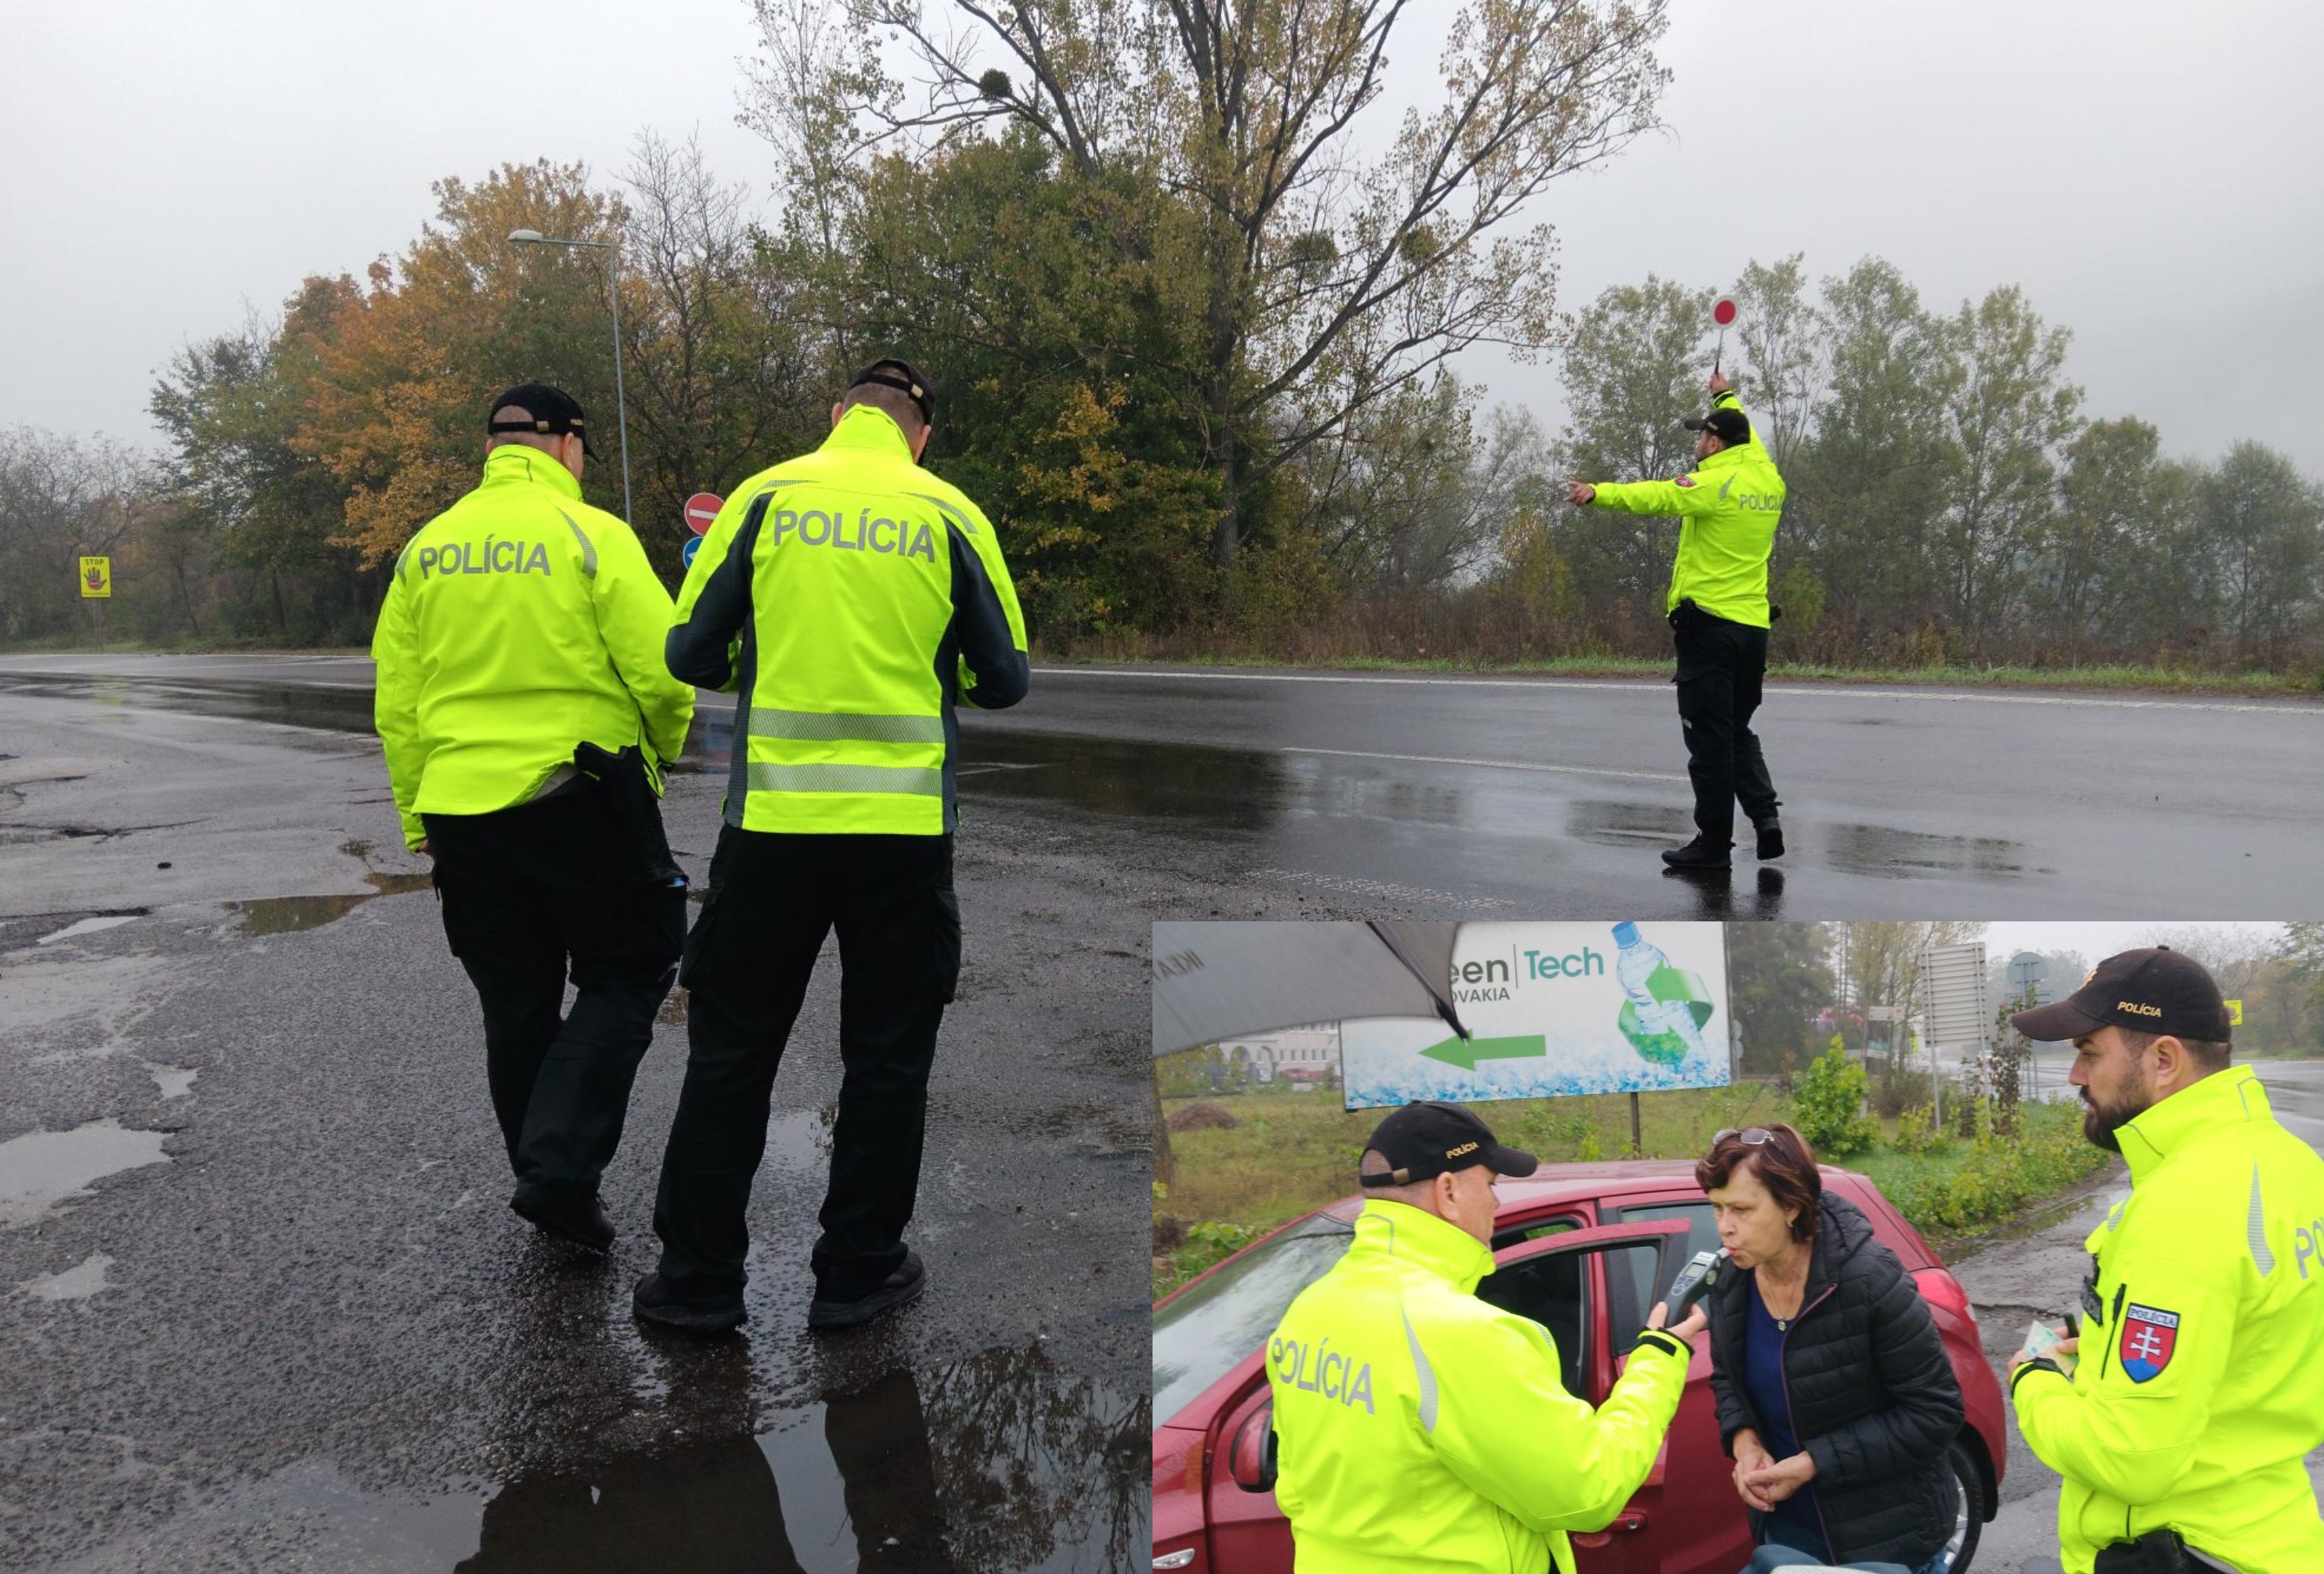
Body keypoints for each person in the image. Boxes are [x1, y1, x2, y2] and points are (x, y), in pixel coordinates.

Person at [635, 358, 1030, 1335]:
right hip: (903, 837)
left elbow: (687, 653)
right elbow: (1004, 679)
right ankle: (857, 1274)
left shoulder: (765, 498)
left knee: (732, 1053)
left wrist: (756, 658)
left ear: (837, 415)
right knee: (888, 1061)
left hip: (771, 829)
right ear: (919, 437)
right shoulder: (950, 513)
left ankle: (697, 1284)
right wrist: (940, 672)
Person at [373, 382, 694, 1252]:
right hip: (578, 794)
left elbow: (397, 703)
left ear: (492, 449)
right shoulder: (592, 535)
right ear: (568, 446)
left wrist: (418, 814)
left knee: (515, 1004)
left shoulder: (426, 551)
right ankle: (557, 1172)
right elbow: (663, 671)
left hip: (461, 810)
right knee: (629, 969)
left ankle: (552, 1186)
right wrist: (658, 756)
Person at [1265, 1101, 1705, 1574]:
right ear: (1448, 1192)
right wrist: (1659, 1357)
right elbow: (1589, 1491)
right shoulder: (1463, 1333)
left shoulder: (1310, 1309)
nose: (1497, 1204)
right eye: (1491, 1185)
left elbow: (1300, 1485)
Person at [2004, 948, 2324, 1574]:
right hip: (2272, 1534)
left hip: (2177, 1550)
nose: (2074, 1075)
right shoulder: (2291, 1163)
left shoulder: (2183, 1205)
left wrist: (2032, 1379)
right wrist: (2103, 1343)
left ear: (2163, 1060)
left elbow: (2128, 1457)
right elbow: (2248, 1342)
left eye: (2089, 1052)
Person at [1695, 1123, 1964, 1574]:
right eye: (1717, 1208)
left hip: (1887, 1544)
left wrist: (1814, 1463)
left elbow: (1936, 1413)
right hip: (1787, 1538)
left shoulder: (1869, 1279)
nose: (1725, 1227)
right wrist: (1745, 1443)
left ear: (1792, 1206)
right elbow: (1727, 1381)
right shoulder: (1731, 1281)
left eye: (1742, 1209)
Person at [1565, 371, 1785, 871]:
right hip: (1753, 630)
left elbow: (1658, 496)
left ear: (1717, 444)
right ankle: (1765, 817)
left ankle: (1713, 845)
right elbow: (1744, 431)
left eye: (1703, 434)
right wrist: (1724, 395)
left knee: (1709, 742)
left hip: (1710, 629)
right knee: (1736, 731)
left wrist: (1598, 492)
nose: (1698, 442)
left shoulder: (1711, 484)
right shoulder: (1765, 476)